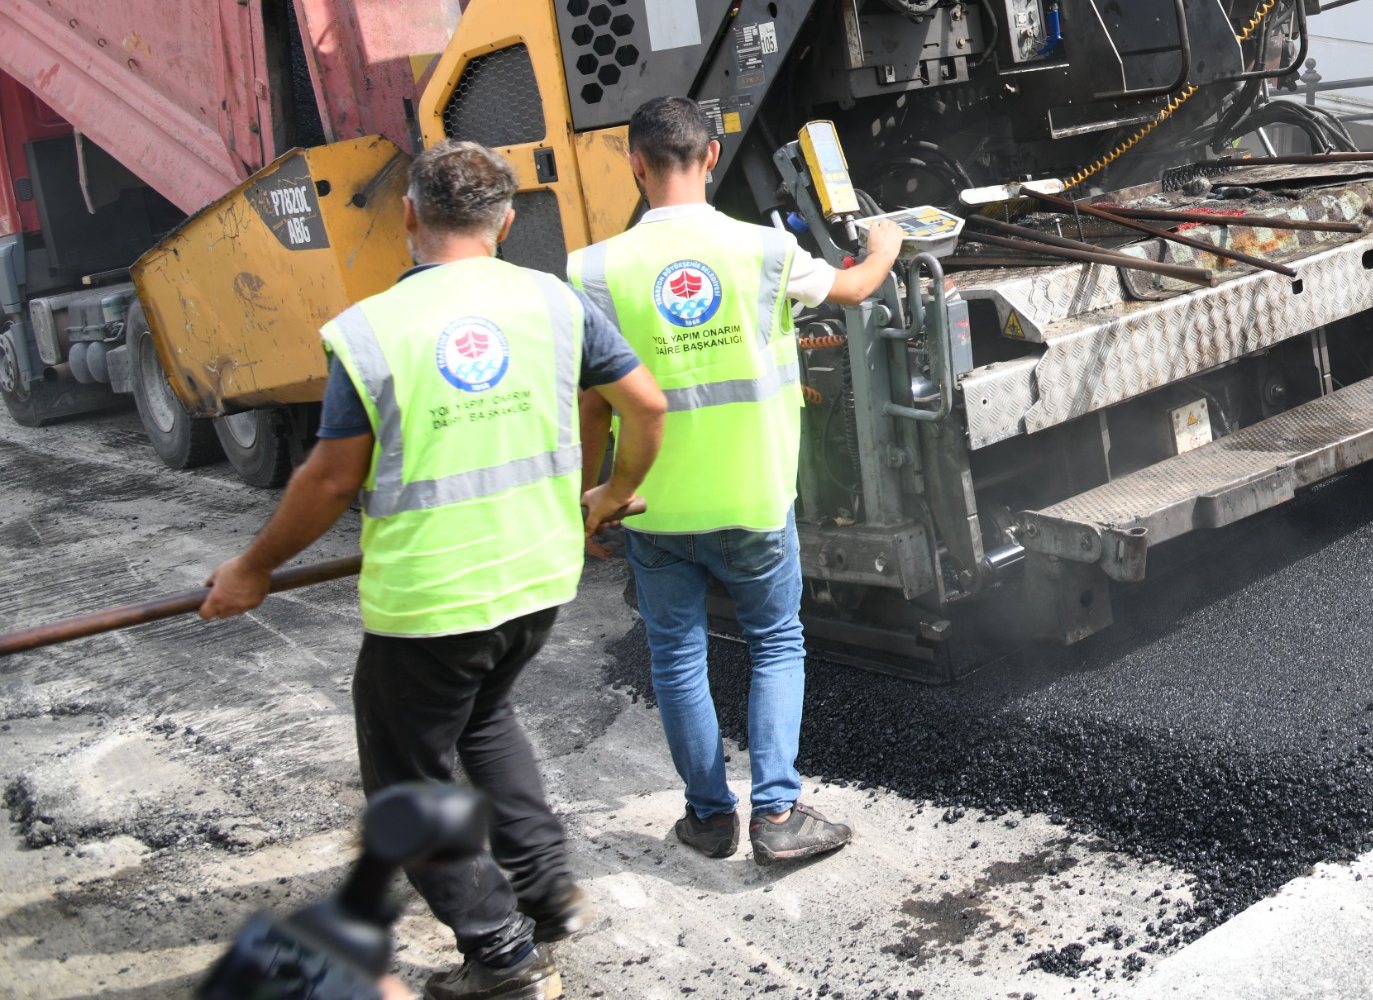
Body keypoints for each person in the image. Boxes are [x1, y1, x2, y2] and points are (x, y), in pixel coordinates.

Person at [201, 141, 667, 1000]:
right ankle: (547, 893)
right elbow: (647, 402)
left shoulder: (374, 329)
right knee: (484, 722)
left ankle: (502, 955)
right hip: (537, 577)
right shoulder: (554, 304)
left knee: (406, 782)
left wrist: (254, 568)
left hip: (434, 600)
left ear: (409, 215)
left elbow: (332, 476)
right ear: (508, 220)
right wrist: (612, 492)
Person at [567, 96, 907, 868]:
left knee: (677, 658)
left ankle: (710, 819)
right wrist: (885, 245)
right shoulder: (763, 251)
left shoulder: (589, 271)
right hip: (754, 497)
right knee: (776, 643)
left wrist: (593, 496)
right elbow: (854, 291)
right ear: (712, 157)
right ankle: (779, 814)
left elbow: (594, 404)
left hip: (654, 507)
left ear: (635, 164)